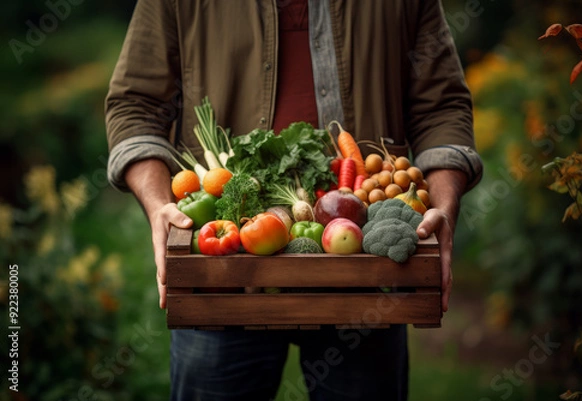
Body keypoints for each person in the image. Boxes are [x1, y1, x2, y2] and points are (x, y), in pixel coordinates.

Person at [105, 0, 483, 399]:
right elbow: (136, 104)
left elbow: (442, 107)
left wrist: (442, 207)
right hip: (222, 273)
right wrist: (156, 205)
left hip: (365, 270)